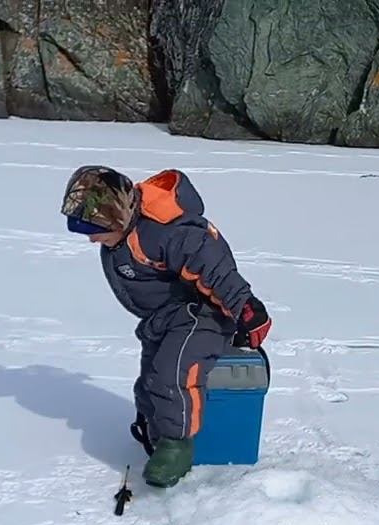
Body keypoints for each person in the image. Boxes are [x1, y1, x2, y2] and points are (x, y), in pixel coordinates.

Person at [60, 166, 272, 488]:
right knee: (149, 383)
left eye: (96, 229)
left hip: (202, 315)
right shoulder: (125, 233)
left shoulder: (166, 231)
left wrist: (246, 307)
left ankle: (177, 447)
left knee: (171, 375)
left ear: (117, 216)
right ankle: (156, 433)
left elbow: (213, 267)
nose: (92, 239)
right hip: (165, 318)